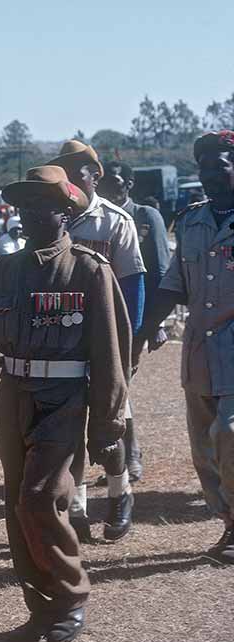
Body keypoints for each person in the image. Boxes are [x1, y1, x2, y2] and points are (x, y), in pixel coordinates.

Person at [0, 165, 130, 642]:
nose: (28, 213)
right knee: (16, 504)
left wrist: (108, 426)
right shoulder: (5, 271)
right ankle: (41, 607)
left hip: (64, 401)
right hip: (13, 398)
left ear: (64, 210)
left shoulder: (88, 270)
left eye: (39, 203)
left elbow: (111, 353)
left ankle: (70, 597)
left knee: (41, 498)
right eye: (22, 205)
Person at [133, 130, 234, 565]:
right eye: (204, 167)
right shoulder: (192, 221)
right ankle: (228, 521)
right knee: (204, 451)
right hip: (199, 354)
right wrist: (135, 335)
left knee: (229, 435)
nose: (210, 175)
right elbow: (172, 286)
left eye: (220, 165)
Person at [46, 140, 143, 541]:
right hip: (65, 340)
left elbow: (133, 286)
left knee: (108, 427)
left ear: (95, 175)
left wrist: (128, 347)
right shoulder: (55, 218)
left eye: (77, 172)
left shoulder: (115, 221)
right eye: (63, 172)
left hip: (108, 341)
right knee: (71, 428)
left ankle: (120, 493)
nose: (69, 180)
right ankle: (80, 506)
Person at [98, 160, 172, 482]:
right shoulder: (100, 219)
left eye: (114, 181)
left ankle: (130, 455)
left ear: (128, 183)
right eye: (103, 181)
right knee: (112, 389)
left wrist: (154, 324)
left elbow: (160, 273)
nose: (107, 188)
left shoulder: (145, 216)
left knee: (119, 388)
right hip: (103, 319)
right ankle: (121, 456)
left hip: (135, 319)